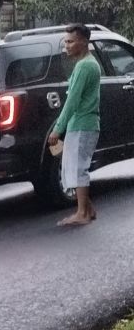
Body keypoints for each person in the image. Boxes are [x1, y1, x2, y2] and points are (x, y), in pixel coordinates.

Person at [48, 23, 101, 226]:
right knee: (71, 167)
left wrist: (57, 129)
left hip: (83, 123)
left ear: (84, 42)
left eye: (70, 42)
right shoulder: (87, 64)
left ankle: (82, 213)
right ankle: (88, 209)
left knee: (78, 169)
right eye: (66, 42)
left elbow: (72, 101)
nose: (66, 46)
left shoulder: (85, 66)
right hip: (80, 123)